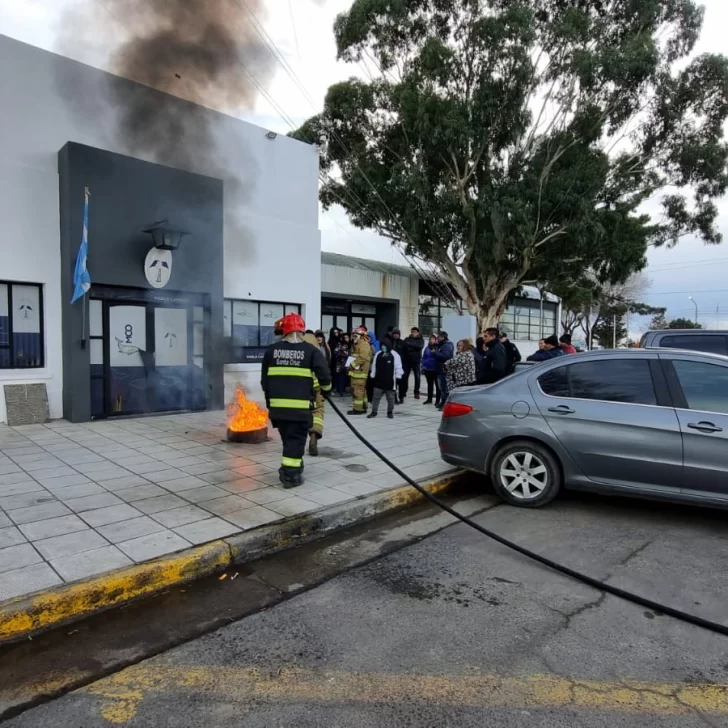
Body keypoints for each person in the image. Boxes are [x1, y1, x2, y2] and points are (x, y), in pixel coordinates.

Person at [261, 313, 331, 488]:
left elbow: (264, 382)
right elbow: (324, 375)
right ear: (301, 330)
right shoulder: (311, 351)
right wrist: (326, 390)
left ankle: (293, 466)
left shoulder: (271, 351)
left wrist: (272, 402)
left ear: (283, 331)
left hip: (278, 410)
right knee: (295, 442)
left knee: (289, 440)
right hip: (299, 410)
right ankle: (290, 476)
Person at [302, 331, 329, 457]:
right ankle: (314, 434)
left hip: (302, 388)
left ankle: (299, 441)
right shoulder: (316, 349)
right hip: (317, 386)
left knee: (302, 412)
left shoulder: (299, 345)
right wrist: (327, 388)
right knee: (318, 411)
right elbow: (323, 370)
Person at [367, 337, 403, 419]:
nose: (383, 347)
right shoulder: (378, 354)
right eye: (382, 346)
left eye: (385, 346)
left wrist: (398, 375)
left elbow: (398, 366)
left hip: (389, 381)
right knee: (376, 398)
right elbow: (374, 365)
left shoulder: (394, 355)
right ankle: (374, 412)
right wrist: (372, 374)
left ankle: (390, 412)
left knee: (390, 398)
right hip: (378, 381)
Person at [348, 326, 373, 414]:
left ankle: (358, 409)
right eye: (353, 335)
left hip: (360, 372)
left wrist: (352, 365)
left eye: (356, 335)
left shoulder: (364, 344)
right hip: (356, 372)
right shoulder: (357, 344)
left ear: (362, 336)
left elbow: (362, 357)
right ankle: (363, 406)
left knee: (357, 390)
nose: (354, 336)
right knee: (361, 390)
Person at [401, 327, 425, 401]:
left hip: (416, 361)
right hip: (407, 360)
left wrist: (410, 345)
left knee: (417, 377)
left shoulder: (421, 340)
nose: (413, 333)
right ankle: (404, 391)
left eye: (414, 332)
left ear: (418, 333)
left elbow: (420, 347)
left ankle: (416, 392)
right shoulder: (407, 339)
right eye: (412, 332)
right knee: (405, 376)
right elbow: (404, 347)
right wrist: (413, 348)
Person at [433, 331, 454, 410]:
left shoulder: (447, 345)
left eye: (438, 337)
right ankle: (443, 402)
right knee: (441, 387)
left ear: (442, 337)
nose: (437, 338)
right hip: (439, 369)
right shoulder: (441, 345)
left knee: (444, 387)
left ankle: (445, 403)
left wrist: (435, 352)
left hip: (444, 369)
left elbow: (445, 356)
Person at [421, 335, 440, 406]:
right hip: (427, 369)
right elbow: (424, 357)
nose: (431, 340)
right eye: (430, 339)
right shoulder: (427, 348)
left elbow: (438, 356)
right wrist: (423, 366)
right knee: (429, 385)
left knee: (438, 386)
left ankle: (437, 401)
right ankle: (429, 399)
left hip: (435, 369)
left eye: (433, 339)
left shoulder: (437, 347)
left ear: (436, 340)